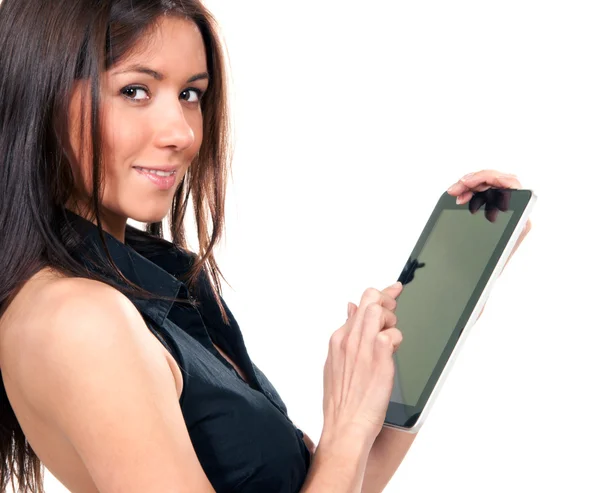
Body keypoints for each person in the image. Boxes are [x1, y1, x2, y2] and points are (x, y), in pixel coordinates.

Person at [0, 1, 532, 492]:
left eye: (191, 94)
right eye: (136, 90)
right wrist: (344, 430)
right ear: (40, 93)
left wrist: (458, 289)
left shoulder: (154, 283)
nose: (182, 133)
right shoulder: (79, 319)